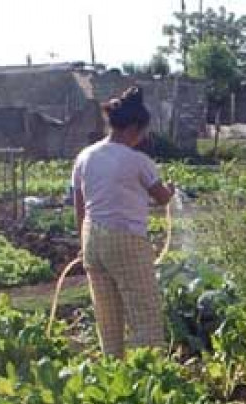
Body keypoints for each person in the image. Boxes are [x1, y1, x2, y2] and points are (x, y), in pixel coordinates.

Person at [71, 86, 174, 357]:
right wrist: (171, 189)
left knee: (107, 315)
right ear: (132, 128)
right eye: (142, 132)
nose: (143, 137)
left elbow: (79, 204)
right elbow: (162, 197)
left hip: (92, 238)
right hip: (126, 240)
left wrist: (82, 242)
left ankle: (113, 368)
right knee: (144, 311)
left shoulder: (85, 156)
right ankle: (149, 371)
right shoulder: (138, 161)